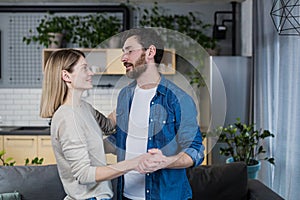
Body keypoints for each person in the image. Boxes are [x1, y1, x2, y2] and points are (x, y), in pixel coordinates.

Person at [39, 49, 159, 200]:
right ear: (66, 76)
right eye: (84, 68)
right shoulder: (68, 118)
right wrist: (133, 163)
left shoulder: (84, 107)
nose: (91, 73)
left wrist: (134, 96)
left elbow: (109, 125)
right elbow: (84, 174)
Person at [108, 28, 205, 200]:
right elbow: (121, 140)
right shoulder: (124, 95)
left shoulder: (178, 99)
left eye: (129, 51)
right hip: (125, 195)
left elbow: (195, 150)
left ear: (150, 52)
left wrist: (166, 162)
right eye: (123, 52)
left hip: (165, 196)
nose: (123, 58)